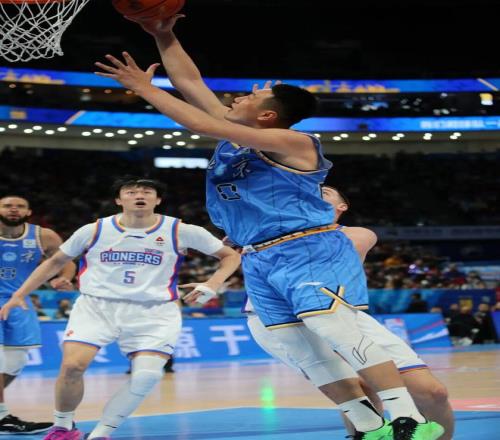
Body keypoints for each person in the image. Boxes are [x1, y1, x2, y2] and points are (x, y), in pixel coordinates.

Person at [94, 19, 444, 439]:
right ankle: (371, 427)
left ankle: (409, 419)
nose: (238, 96)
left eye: (252, 96)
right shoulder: (238, 134)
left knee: (335, 329)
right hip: (258, 257)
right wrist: (162, 34)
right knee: (302, 350)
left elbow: (203, 124)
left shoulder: (298, 143)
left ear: (267, 115)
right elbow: (189, 82)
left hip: (307, 248)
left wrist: (145, 88)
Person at [0, 177, 241, 440]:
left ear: (158, 199)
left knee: (146, 376)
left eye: (147, 191)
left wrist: (213, 284)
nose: (140, 195)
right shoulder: (94, 230)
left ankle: (102, 432)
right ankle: (63, 427)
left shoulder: (181, 230)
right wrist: (19, 295)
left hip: (154, 311)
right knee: (72, 366)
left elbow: (230, 255)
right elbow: (55, 262)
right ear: (119, 199)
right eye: (131, 192)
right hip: (97, 306)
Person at [245, 186, 453, 439]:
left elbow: (319, 255)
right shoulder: (264, 233)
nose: (314, 192)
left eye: (324, 192)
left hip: (336, 309)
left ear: (342, 207)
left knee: (433, 392)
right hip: (278, 318)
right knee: (360, 390)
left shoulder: (357, 234)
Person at [0, 195, 76, 435]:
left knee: (15, 362)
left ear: (28, 212)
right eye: (7, 205)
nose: (13, 209)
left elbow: (66, 261)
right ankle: (2, 416)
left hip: (18, 301)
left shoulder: (44, 236)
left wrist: (64, 278)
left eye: (19, 206)